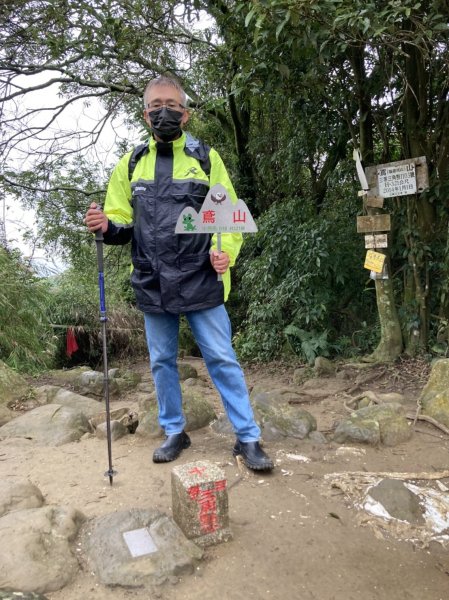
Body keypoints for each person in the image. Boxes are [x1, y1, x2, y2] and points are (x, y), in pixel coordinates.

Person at [85, 76, 273, 471]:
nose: (163, 111)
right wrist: (105, 224)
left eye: (171, 104)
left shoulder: (207, 159)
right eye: (156, 105)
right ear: (145, 114)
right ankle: (175, 431)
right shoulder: (131, 164)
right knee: (161, 361)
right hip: (152, 278)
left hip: (201, 276)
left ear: (185, 113)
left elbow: (227, 216)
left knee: (221, 357)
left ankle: (248, 438)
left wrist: (225, 255)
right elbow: (122, 223)